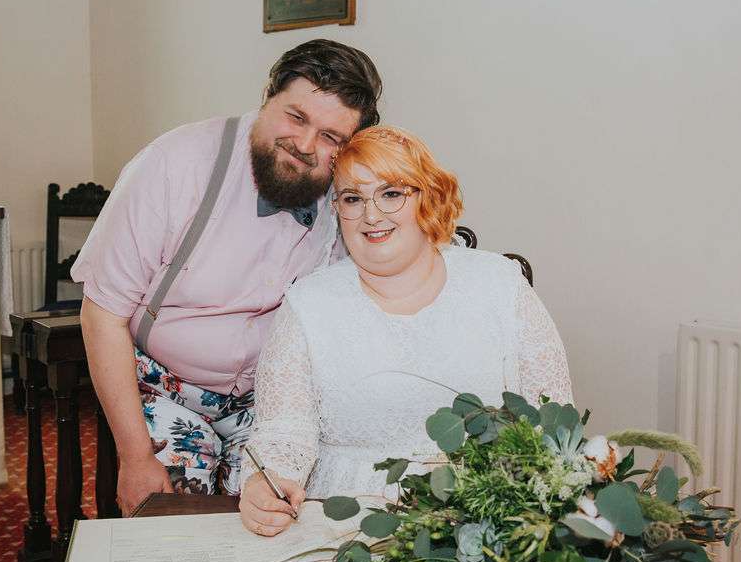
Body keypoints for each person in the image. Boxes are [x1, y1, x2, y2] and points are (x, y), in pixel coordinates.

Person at [72, 40, 383, 513]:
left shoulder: (345, 193)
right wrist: (135, 457)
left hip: (270, 400)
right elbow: (102, 315)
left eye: (330, 138)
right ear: (268, 96)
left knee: (281, 518)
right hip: (165, 389)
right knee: (173, 526)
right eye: (296, 117)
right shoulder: (176, 164)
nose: (305, 146)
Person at [238, 126, 574, 536]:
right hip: (346, 526)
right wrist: (267, 483)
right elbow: (284, 430)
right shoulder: (308, 304)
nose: (371, 215)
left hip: (487, 518)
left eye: (391, 194)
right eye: (352, 199)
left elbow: (552, 420)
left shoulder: (501, 285)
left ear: (427, 197)